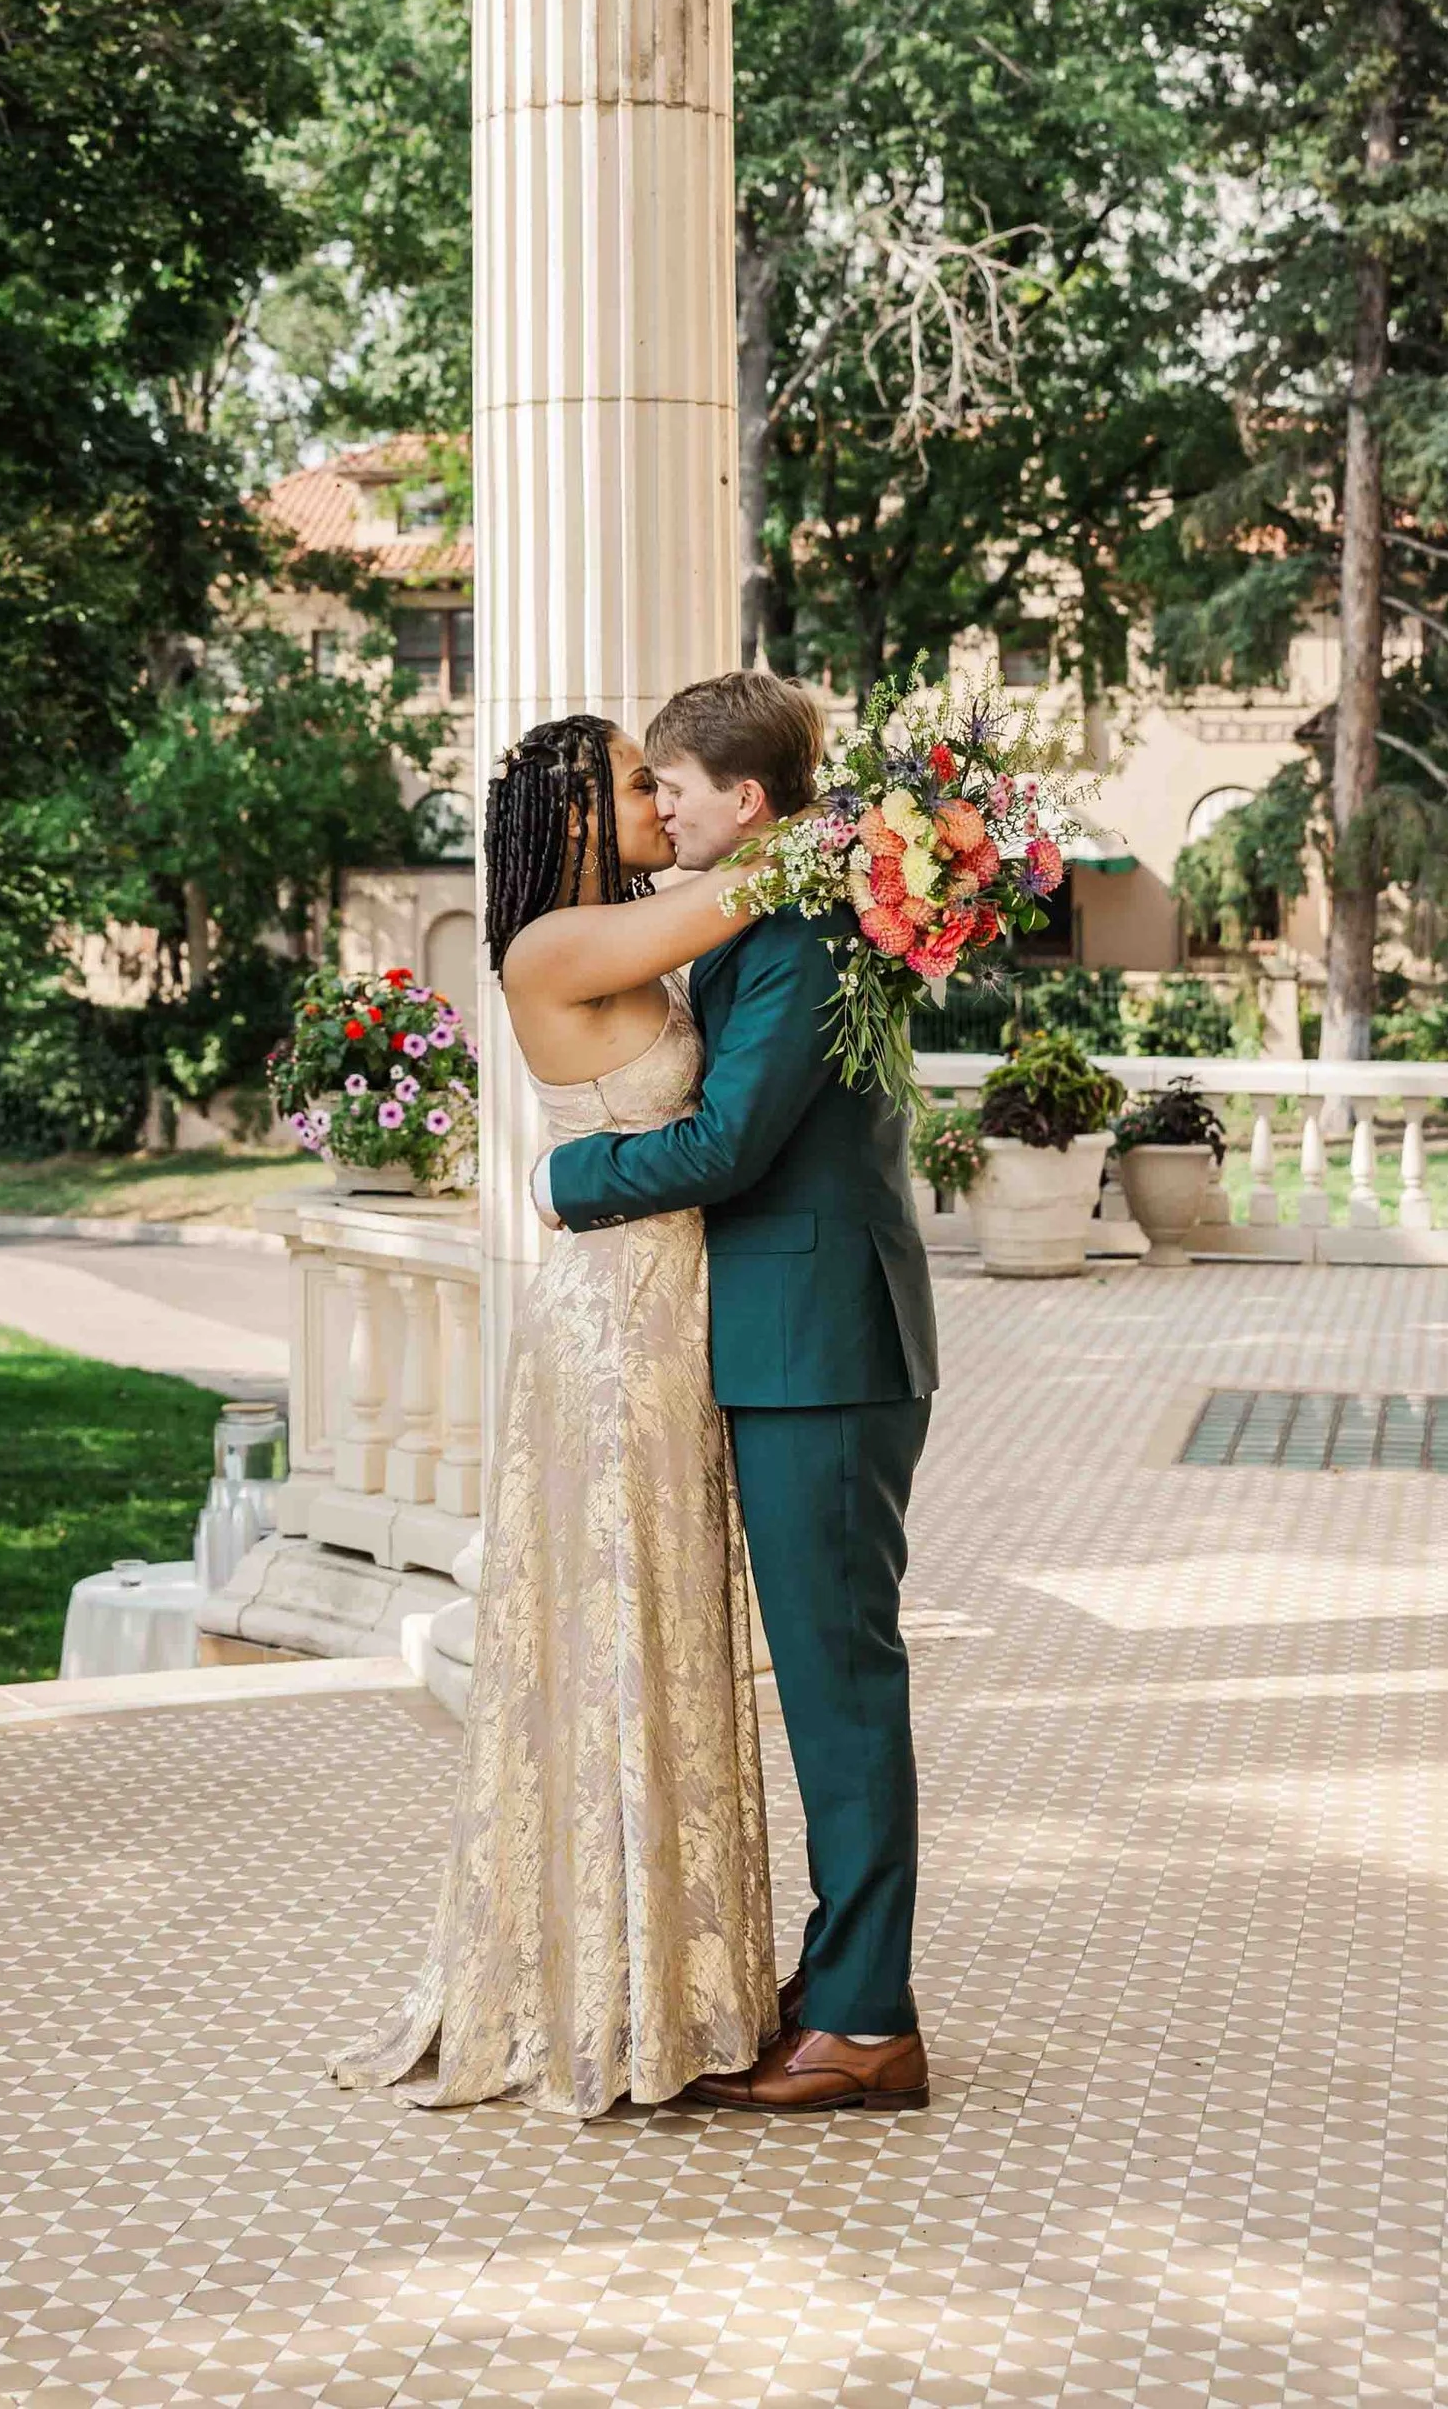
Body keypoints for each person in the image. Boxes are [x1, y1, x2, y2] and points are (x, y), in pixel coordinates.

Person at [330, 712, 781, 2116]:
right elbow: (755, 882)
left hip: (665, 1307)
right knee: (612, 1623)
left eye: (667, 779)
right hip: (607, 1330)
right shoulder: (546, 946)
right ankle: (608, 1991)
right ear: (582, 808)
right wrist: (865, 822)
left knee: (668, 1617)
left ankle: (676, 1974)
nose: (661, 798)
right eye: (641, 782)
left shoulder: (623, 928)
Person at [536, 671, 940, 2115]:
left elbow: (727, 1147)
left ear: (745, 802)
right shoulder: (762, 916)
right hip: (788, 1343)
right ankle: (841, 1977)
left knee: (841, 1686)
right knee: (826, 1679)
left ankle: (870, 2017)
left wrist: (563, 1175)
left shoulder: (799, 935)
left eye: (676, 785)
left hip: (823, 1347)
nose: (660, 805)